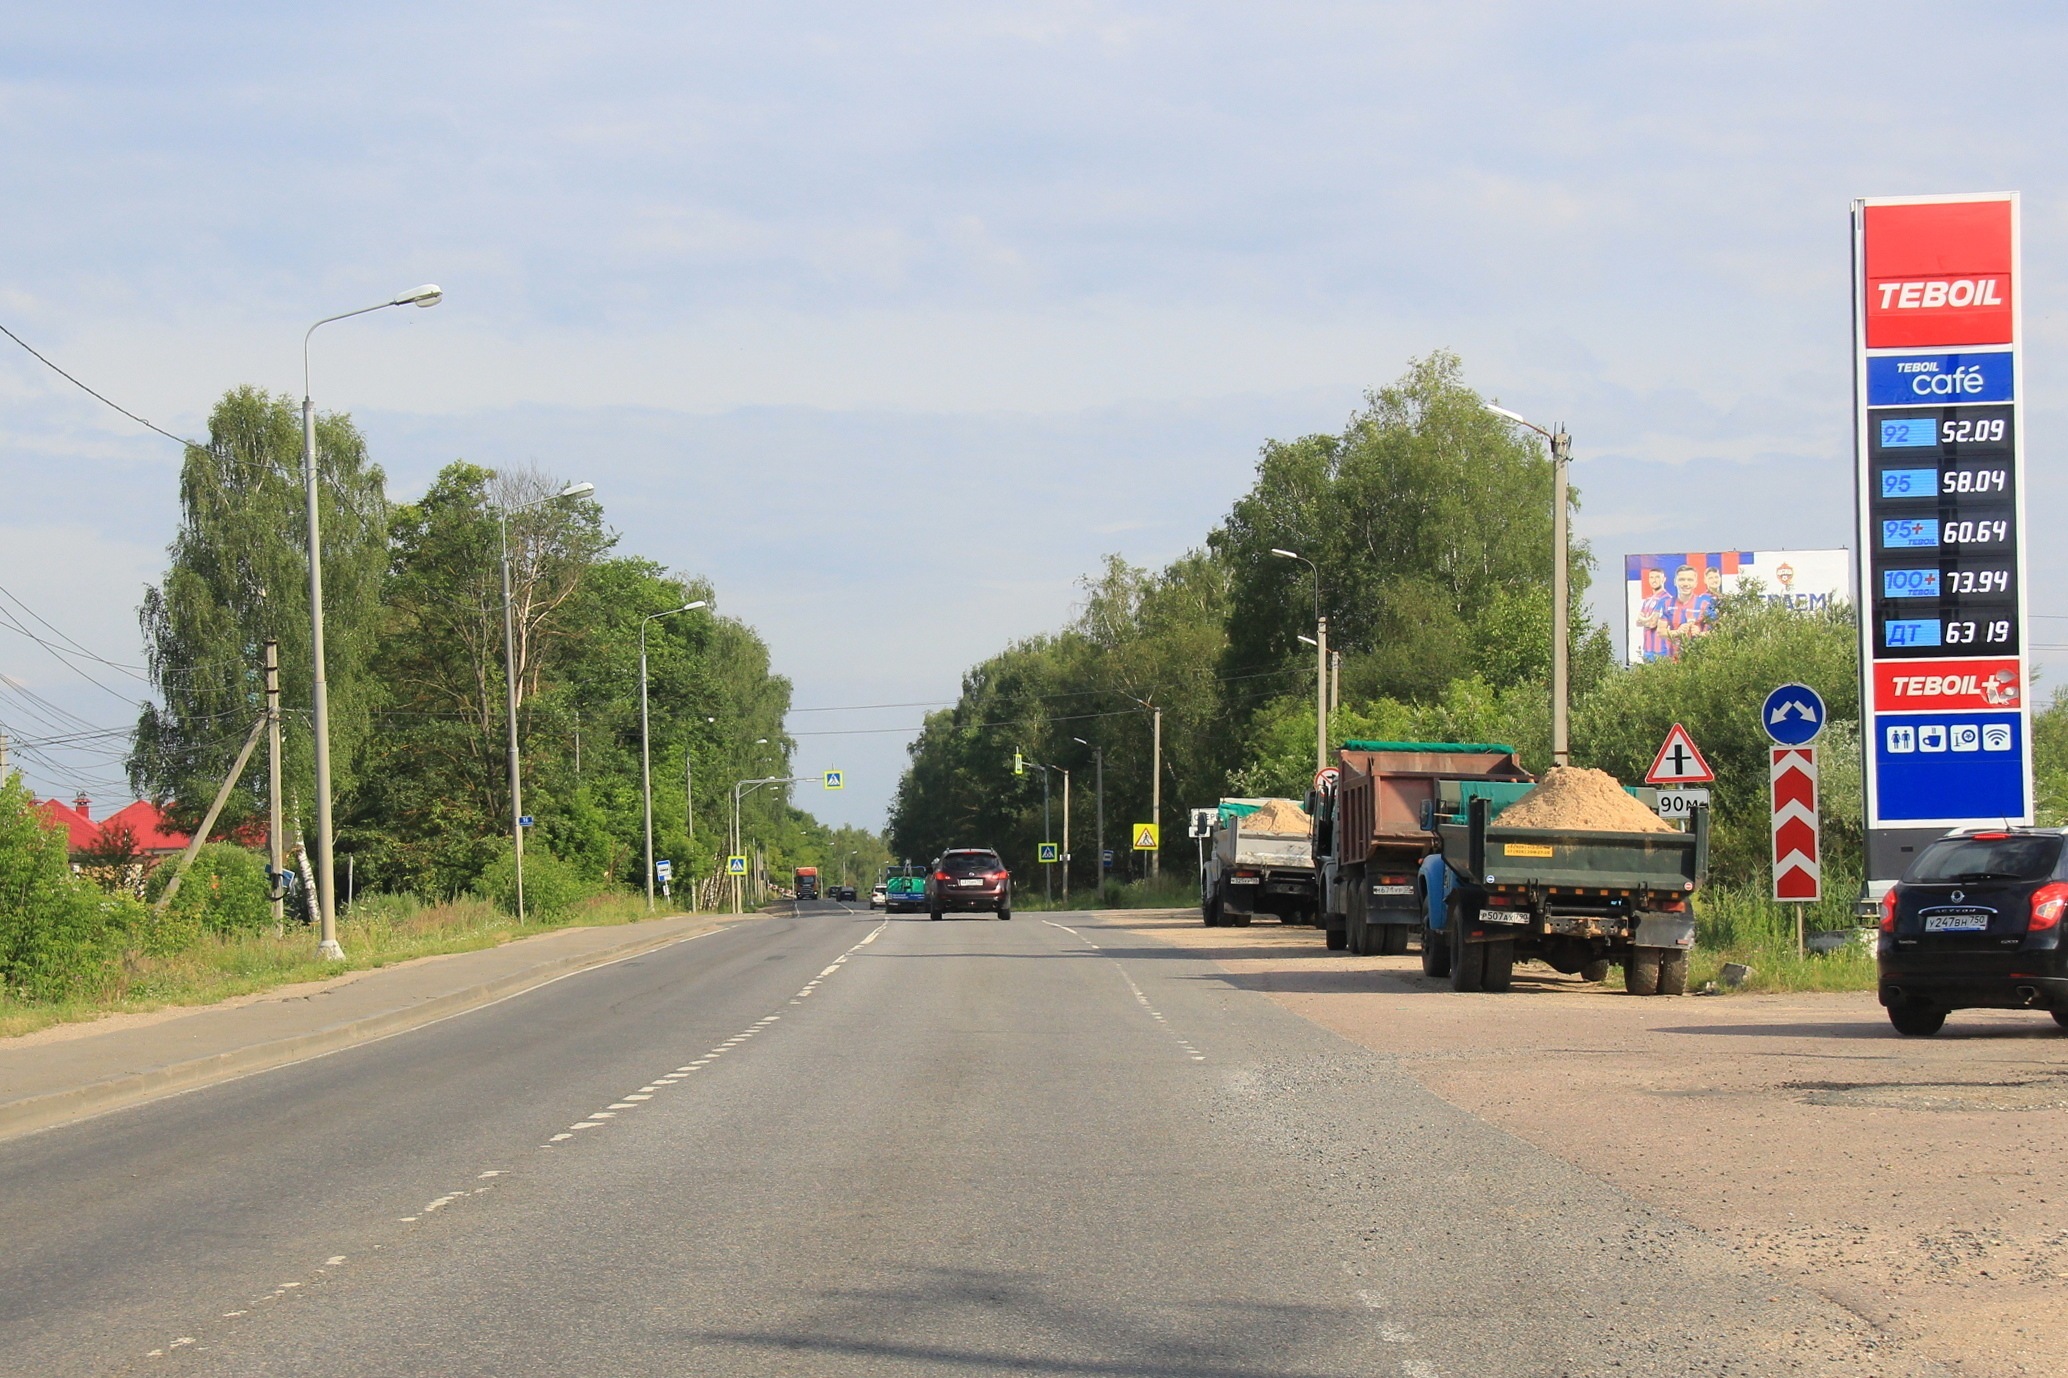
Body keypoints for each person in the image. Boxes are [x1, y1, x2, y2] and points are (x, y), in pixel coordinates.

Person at [1662, 563, 1717, 654]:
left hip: (1699, 660)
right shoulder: (1667, 604)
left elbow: (1716, 633)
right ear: (1675, 582)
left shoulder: (1705, 604)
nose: (1686, 583)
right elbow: (1660, 632)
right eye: (1682, 580)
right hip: (1673, 661)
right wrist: (1677, 632)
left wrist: (1700, 634)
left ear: (1695, 583)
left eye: (1690, 580)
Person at [1635, 566, 1674, 661]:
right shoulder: (1647, 600)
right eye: (1651, 577)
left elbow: (1653, 623)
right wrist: (1647, 619)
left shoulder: (1667, 599)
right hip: (1647, 649)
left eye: (1657, 577)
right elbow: (1637, 622)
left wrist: (1645, 619)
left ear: (1663, 579)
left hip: (1661, 650)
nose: (1654, 580)